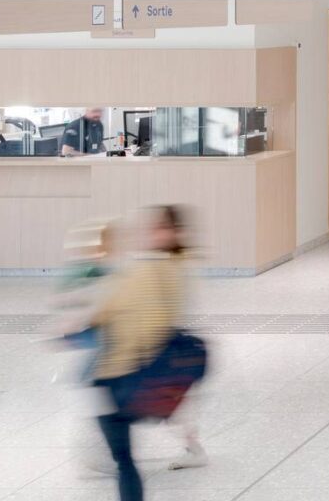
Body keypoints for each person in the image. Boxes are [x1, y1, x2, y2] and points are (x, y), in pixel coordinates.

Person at [88, 205, 198, 500]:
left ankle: (190, 447)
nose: (152, 233)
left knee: (122, 443)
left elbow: (117, 312)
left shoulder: (155, 269)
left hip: (133, 367)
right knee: (166, 410)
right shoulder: (165, 265)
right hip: (155, 363)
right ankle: (192, 446)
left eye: (159, 228)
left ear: (174, 232)